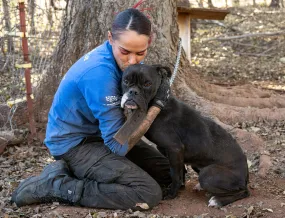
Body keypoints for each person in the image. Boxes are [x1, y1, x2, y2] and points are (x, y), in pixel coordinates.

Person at [11, 7, 172, 210]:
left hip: (100, 135)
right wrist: (156, 105)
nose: (132, 61)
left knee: (166, 173)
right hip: (74, 145)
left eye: (140, 53)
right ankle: (57, 186)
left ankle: (65, 172)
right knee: (147, 192)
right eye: (125, 52)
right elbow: (117, 146)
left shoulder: (121, 61)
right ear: (110, 38)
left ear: (149, 43)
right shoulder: (99, 73)